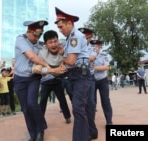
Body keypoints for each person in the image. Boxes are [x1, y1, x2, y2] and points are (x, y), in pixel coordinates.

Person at [54, 7, 91, 141]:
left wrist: (61, 58)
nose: (60, 29)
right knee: (79, 109)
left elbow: (70, 61)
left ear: (69, 23)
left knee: (78, 109)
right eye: (58, 27)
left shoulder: (75, 36)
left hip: (80, 75)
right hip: (75, 75)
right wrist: (63, 53)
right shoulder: (70, 38)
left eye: (61, 26)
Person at [13, 20, 50, 141]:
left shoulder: (40, 45)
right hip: (20, 78)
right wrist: (46, 65)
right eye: (36, 35)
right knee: (25, 108)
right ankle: (32, 134)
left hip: (34, 78)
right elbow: (32, 57)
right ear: (29, 32)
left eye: (40, 35)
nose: (37, 37)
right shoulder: (21, 39)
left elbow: (51, 52)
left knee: (32, 104)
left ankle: (40, 130)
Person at [32, 30, 71, 124]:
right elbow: (36, 69)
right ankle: (40, 121)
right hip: (46, 81)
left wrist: (63, 56)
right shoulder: (42, 53)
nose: (53, 45)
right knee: (43, 100)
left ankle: (67, 116)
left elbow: (71, 61)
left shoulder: (64, 47)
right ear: (45, 44)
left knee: (62, 99)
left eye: (55, 41)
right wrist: (51, 70)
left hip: (58, 80)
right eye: (50, 42)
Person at [78, 27, 98, 140]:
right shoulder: (79, 46)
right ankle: (86, 129)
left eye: (87, 37)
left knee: (90, 104)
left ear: (91, 37)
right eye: (83, 37)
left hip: (89, 77)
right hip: (78, 77)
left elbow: (91, 58)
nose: (85, 40)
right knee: (82, 105)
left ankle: (92, 131)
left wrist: (77, 57)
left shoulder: (93, 48)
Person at [91, 39, 113, 125]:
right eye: (94, 46)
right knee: (92, 101)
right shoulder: (90, 56)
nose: (96, 48)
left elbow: (106, 67)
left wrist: (95, 67)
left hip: (103, 80)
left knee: (105, 100)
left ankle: (109, 121)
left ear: (100, 47)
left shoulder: (104, 55)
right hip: (92, 80)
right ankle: (91, 121)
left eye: (97, 46)